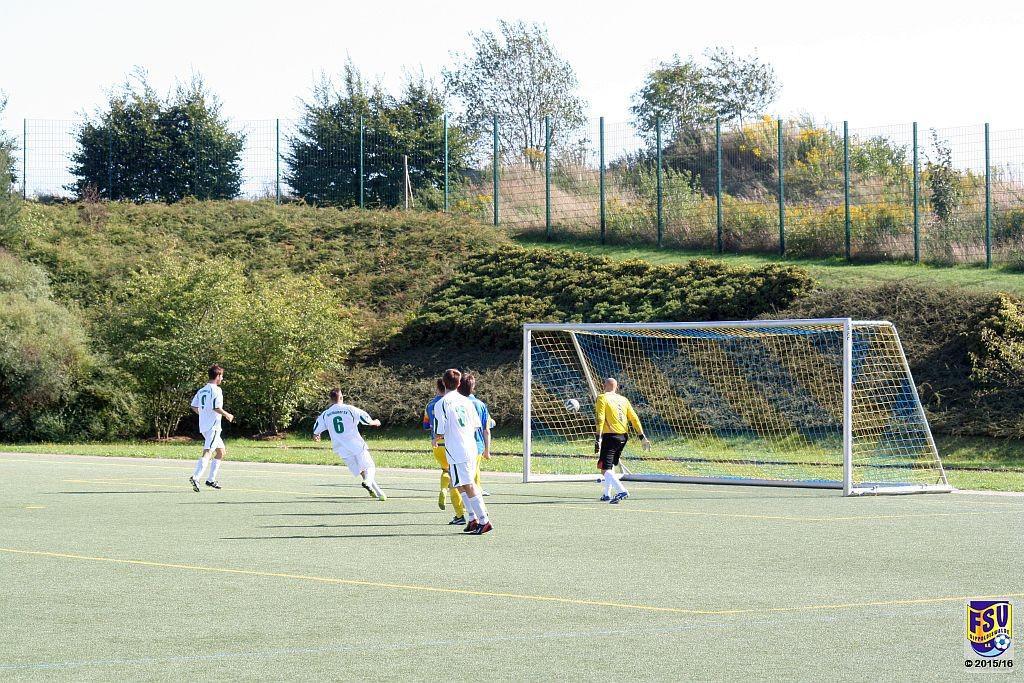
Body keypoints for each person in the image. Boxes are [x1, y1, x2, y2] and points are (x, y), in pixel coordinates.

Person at [433, 368, 492, 534]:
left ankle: (484, 520)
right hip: (470, 446)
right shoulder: (467, 401)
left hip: (457, 449)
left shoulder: (441, 403)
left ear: (444, 383)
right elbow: (476, 425)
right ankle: (473, 518)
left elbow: (440, 429)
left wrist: (435, 438)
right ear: (459, 383)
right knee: (457, 483)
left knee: (468, 484)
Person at [313, 389, 386, 500]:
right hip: (355, 444)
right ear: (341, 397)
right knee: (370, 466)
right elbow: (365, 419)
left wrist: (316, 435)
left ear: (330, 400)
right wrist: (375, 422)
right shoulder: (349, 409)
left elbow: (316, 428)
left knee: (361, 470)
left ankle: (378, 492)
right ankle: (368, 482)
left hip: (341, 448)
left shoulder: (326, 414)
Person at [594, 377, 650, 504]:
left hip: (610, 437)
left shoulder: (602, 398)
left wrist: (598, 438)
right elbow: (634, 418)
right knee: (610, 465)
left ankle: (622, 491)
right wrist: (642, 437)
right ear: (616, 387)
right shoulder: (624, 399)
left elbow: (600, 418)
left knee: (604, 469)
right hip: (623, 437)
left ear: (604, 386)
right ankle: (607, 494)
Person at [424, 377, 466, 525]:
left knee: (445, 470)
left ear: (437, 388)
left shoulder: (430, 405)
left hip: (437, 444)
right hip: (453, 443)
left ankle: (443, 488)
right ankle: (462, 512)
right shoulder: (454, 402)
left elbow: (426, 425)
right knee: (458, 479)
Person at [189, 364, 234, 491]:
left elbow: (193, 406)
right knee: (208, 451)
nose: (222, 379)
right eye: (222, 376)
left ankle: (211, 480)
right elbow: (216, 407)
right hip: (213, 426)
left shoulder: (202, 390)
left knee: (221, 452)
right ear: (217, 376)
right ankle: (196, 477)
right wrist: (227, 414)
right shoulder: (216, 390)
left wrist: (203, 414)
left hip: (204, 426)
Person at [456, 373, 493, 496]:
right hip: (476, 444)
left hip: (459, 444)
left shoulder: (454, 403)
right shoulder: (480, 404)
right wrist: (487, 450)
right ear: (473, 387)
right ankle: (476, 497)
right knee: (473, 472)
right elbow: (486, 429)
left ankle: (461, 497)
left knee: (459, 475)